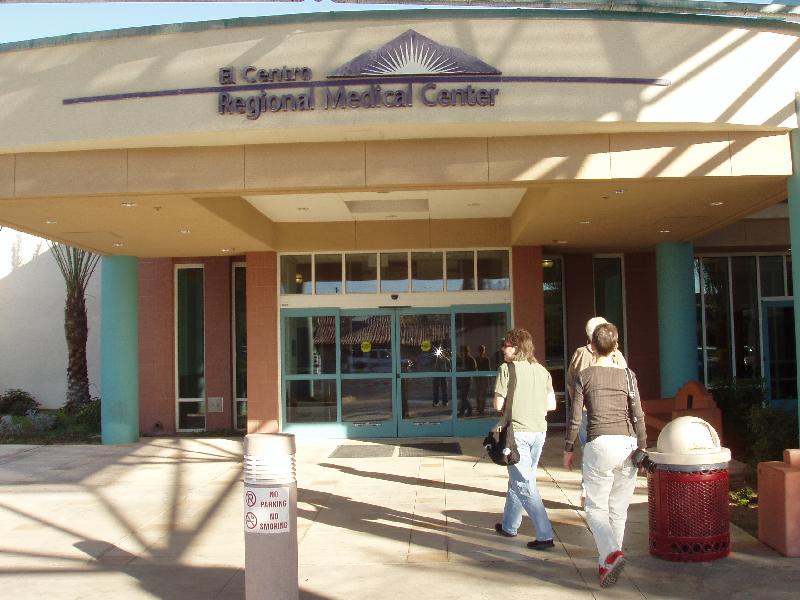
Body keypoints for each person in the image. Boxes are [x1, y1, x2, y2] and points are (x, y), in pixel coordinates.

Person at [563, 322, 646, 588]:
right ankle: (606, 562)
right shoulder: (628, 375)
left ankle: (610, 553)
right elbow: (638, 414)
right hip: (627, 445)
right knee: (618, 510)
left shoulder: (584, 375)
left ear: (592, 346)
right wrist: (642, 448)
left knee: (595, 508)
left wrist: (568, 448)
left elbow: (576, 417)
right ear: (616, 346)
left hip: (599, 445)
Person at [493, 328, 558, 550]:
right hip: (539, 431)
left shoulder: (506, 369)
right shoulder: (542, 371)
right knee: (520, 478)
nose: (503, 348)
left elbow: (498, 406)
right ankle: (510, 525)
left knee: (523, 482)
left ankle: (545, 535)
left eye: (507, 345)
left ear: (517, 347)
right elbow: (551, 405)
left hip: (516, 434)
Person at [566, 316, 628, 504]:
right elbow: (627, 384)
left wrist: (578, 401)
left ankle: (588, 494)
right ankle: (606, 495)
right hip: (613, 413)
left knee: (589, 452)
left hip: (586, 411)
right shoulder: (617, 356)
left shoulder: (580, 353)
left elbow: (571, 381)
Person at [457, 345, 477, 417]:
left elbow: (474, 369)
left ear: (466, 351)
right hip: (461, 381)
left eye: (462, 351)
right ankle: (468, 410)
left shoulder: (470, 359)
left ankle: (463, 412)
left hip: (467, 381)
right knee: (463, 397)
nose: (461, 353)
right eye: (461, 351)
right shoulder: (460, 359)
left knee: (464, 397)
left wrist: (465, 370)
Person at [474, 344, 491, 415]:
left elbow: (488, 369)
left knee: (482, 394)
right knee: (479, 394)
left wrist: (489, 378)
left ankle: (481, 408)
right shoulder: (477, 359)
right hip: (479, 378)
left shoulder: (486, 359)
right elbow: (475, 368)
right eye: (481, 350)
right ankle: (479, 407)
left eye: (482, 350)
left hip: (483, 378)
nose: (481, 351)